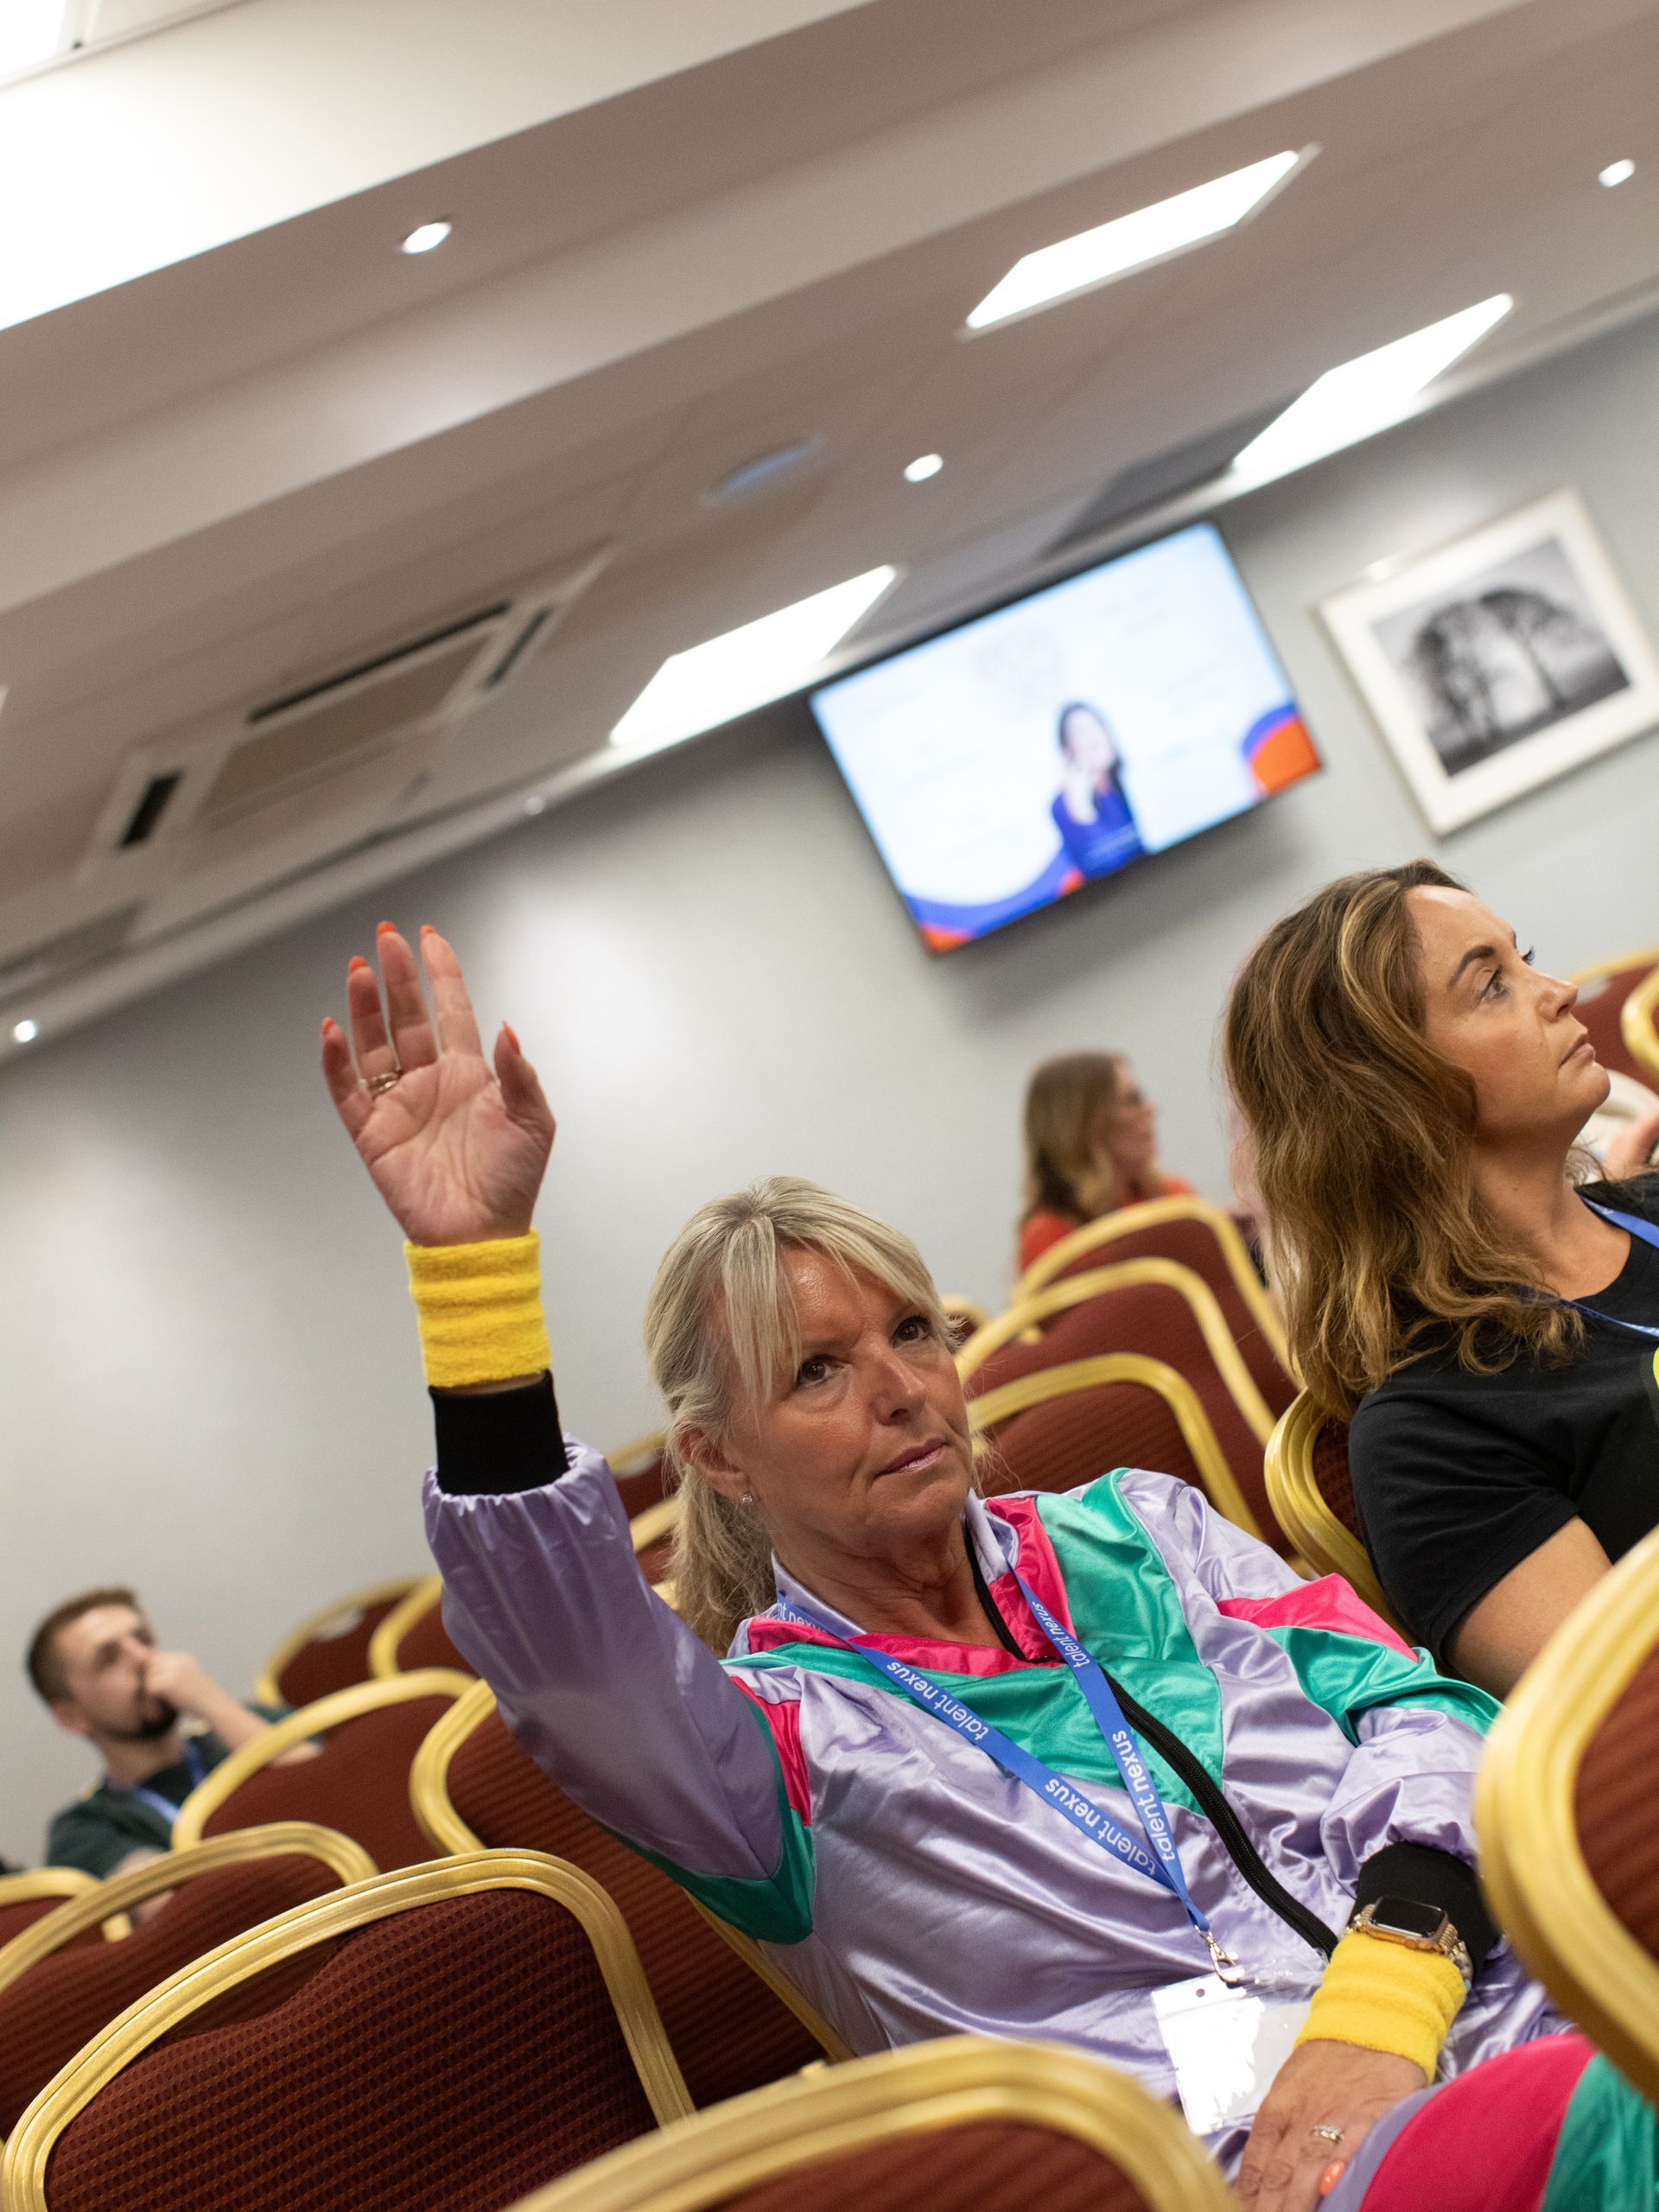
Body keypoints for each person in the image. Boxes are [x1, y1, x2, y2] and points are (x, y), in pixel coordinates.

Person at [318, 922, 1644, 2212]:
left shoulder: (1146, 1533)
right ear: (719, 1461)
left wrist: (1392, 1981)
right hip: (1252, 2174)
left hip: (1492, 1992)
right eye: (819, 1372)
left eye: (913, 1331)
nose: (899, 1392)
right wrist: (471, 1280)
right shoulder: (773, 1756)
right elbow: (572, 1662)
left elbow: (1426, 1716)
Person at [1224, 861, 1659, 1697]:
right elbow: (1623, 1723)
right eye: (1493, 984)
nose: (1559, 990)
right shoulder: (1431, 1430)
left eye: (1523, 957)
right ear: (1388, 1096)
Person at [30, 1588, 304, 1878]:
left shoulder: (252, 1721)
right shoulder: (84, 1828)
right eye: (109, 1659)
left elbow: (336, 1792)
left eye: (144, 1639)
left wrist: (211, 1702)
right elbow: (179, 1907)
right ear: (71, 1716)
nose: (143, 1657)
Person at [1017, 1050, 1195, 1274]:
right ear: (1086, 1126)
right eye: (1132, 1100)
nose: (1150, 1109)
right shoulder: (1050, 1241)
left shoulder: (1171, 1195)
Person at [1050, 702, 1145, 881]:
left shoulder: (1133, 779)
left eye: (1097, 726)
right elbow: (1108, 867)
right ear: (1067, 750)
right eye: (1081, 732)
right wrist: (1082, 809)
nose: (1094, 735)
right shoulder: (1062, 806)